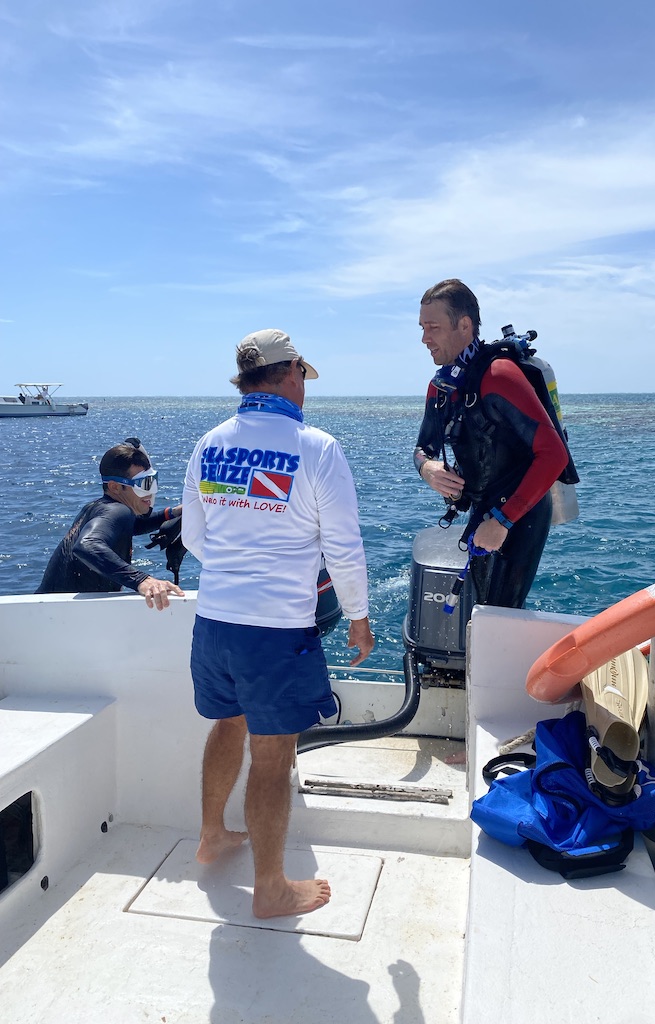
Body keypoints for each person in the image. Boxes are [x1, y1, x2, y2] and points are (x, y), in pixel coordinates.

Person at [182, 328, 374, 919]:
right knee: (272, 751)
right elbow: (343, 547)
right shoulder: (317, 448)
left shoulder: (209, 443)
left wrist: (237, 575)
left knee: (227, 726)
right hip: (275, 631)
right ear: (290, 373)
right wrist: (360, 618)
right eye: (303, 377)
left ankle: (212, 835)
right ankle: (271, 887)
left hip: (214, 621)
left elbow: (194, 537)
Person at [414, 278, 571, 609]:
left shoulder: (499, 376)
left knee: (502, 613)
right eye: (422, 327)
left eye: (433, 327)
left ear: (464, 325)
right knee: (483, 612)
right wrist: (428, 469)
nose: (425, 338)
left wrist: (503, 521)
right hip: (484, 509)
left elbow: (553, 455)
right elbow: (422, 449)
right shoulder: (441, 386)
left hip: (519, 513)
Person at [36, 442, 184, 610]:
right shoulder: (118, 511)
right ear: (115, 487)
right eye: (143, 484)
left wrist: (173, 512)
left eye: (152, 481)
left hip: (49, 610)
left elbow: (130, 525)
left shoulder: (98, 507)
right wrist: (141, 580)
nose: (150, 491)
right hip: (64, 615)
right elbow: (87, 545)